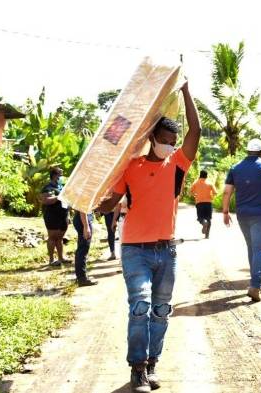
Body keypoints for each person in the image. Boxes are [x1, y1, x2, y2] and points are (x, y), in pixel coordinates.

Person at [97, 81, 200, 392]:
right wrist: (86, 198)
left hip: (166, 251)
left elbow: (195, 132)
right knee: (140, 306)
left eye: (173, 141)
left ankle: (152, 363)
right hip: (134, 250)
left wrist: (185, 91)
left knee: (161, 310)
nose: (170, 145)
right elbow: (109, 204)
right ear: (153, 138)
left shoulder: (178, 166)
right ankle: (137, 368)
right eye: (165, 140)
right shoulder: (130, 167)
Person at [222, 138, 261, 302]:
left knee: (252, 248)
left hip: (242, 215)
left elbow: (227, 192)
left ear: (247, 151)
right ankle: (256, 285)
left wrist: (225, 211)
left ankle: (255, 282)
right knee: (260, 249)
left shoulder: (235, 168)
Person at [40, 167, 70, 266]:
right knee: (52, 237)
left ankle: (61, 257)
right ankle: (52, 259)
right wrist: (58, 197)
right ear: (54, 176)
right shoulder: (48, 187)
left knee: (60, 238)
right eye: (60, 175)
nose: (61, 177)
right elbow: (45, 200)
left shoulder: (62, 186)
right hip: (52, 216)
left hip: (63, 215)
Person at [72, 211, 97, 286]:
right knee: (83, 249)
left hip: (82, 218)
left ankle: (81, 276)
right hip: (83, 219)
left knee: (82, 249)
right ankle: (82, 278)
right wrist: (86, 226)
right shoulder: (83, 198)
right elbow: (82, 209)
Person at [190, 170, 217, 238]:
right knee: (208, 219)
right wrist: (212, 197)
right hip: (208, 203)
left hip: (199, 203)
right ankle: (207, 235)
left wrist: (195, 195)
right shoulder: (210, 183)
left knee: (200, 218)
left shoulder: (196, 183)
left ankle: (203, 223)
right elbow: (215, 193)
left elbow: (190, 192)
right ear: (206, 175)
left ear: (200, 175)